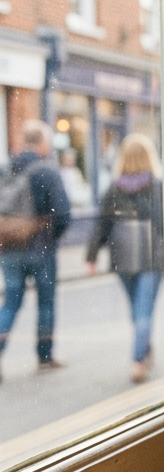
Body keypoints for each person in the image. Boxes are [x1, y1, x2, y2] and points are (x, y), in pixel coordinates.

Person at [86, 135, 164, 383]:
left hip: (121, 256)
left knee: (137, 310)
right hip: (152, 256)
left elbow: (102, 225)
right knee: (144, 310)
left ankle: (141, 352)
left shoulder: (114, 188)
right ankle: (138, 360)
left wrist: (91, 257)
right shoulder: (158, 187)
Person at [0, 120, 72, 377]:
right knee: (46, 303)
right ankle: (44, 357)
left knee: (11, 302)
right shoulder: (47, 172)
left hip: (9, 247)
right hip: (41, 247)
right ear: (41, 143)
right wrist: (51, 236)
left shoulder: (5, 170)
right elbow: (62, 214)